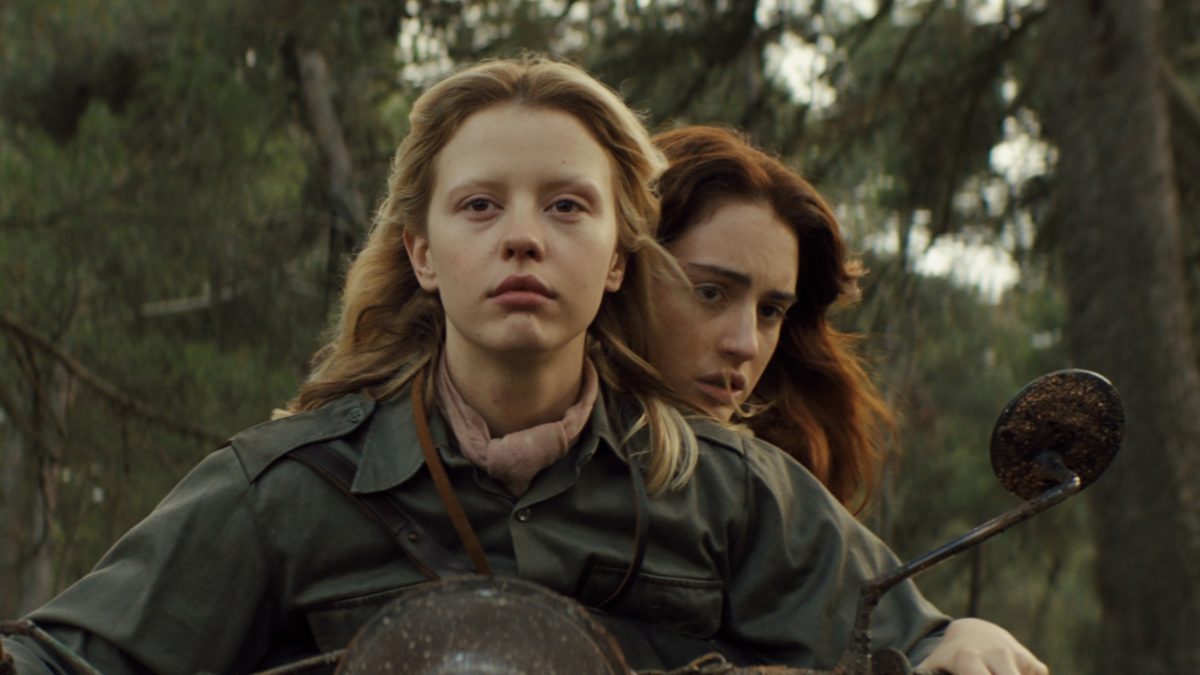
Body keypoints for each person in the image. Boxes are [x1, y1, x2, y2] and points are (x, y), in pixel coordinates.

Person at [0, 56, 989, 674]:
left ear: (618, 259)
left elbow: (911, 639)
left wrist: (958, 642)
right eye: (480, 205)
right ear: (423, 252)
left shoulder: (729, 492)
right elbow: (67, 659)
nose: (523, 236)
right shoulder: (289, 487)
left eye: (566, 206)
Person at [646, 124, 1049, 674]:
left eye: (770, 312)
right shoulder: (535, 441)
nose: (745, 344)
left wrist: (957, 639)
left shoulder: (760, 492)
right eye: (710, 292)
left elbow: (900, 636)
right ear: (619, 269)